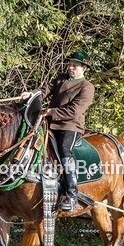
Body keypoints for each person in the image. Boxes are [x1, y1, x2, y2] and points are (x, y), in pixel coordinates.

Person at [42, 50, 95, 212]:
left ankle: (71, 194)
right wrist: (32, 94)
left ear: (84, 68)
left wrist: (51, 112)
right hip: (49, 123)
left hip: (70, 126)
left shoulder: (87, 87)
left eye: (74, 65)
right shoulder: (61, 78)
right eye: (70, 64)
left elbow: (73, 111)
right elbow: (45, 89)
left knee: (65, 150)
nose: (70, 67)